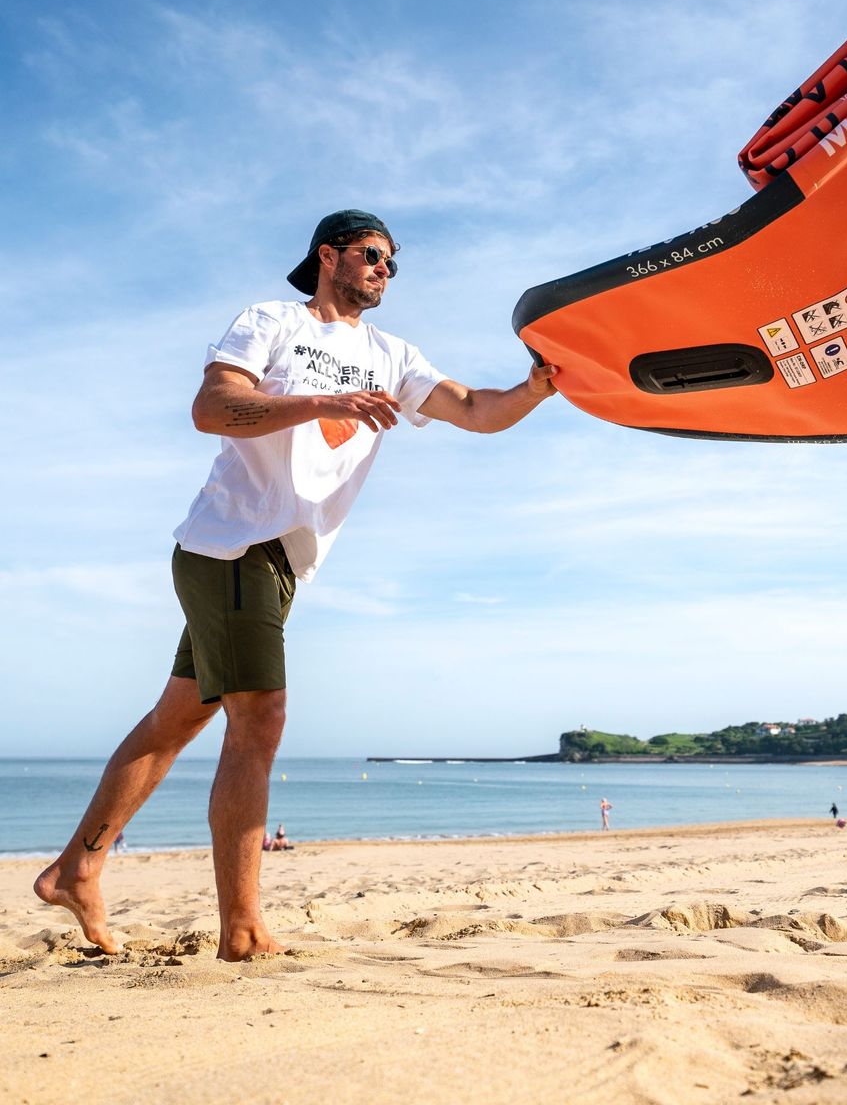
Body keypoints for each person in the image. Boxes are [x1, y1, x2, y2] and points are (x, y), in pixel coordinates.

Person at [34, 209, 558, 962]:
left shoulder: (392, 355)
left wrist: (537, 388)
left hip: (280, 562)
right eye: (372, 255)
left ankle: (74, 870)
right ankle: (243, 929)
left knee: (176, 720)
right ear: (329, 256)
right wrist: (323, 402)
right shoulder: (272, 322)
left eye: (393, 262)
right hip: (233, 543)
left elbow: (478, 409)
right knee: (260, 719)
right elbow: (211, 409)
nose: (385, 269)